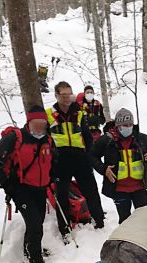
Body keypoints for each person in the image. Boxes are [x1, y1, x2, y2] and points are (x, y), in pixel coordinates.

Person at [0, 106, 56, 263]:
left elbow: (53, 160)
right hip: (21, 189)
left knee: (37, 221)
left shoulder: (47, 140)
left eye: (42, 124)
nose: (39, 128)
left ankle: (31, 249)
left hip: (40, 188)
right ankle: (35, 260)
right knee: (34, 224)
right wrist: (8, 185)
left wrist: (52, 177)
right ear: (28, 122)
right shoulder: (15, 138)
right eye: (36, 124)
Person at [46, 81, 105, 238]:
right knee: (62, 196)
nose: (66, 98)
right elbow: (45, 138)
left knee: (91, 191)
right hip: (60, 161)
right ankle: (65, 230)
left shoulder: (79, 113)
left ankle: (99, 221)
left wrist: (89, 155)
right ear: (57, 95)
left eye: (69, 94)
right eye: (63, 95)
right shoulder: (49, 114)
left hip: (80, 158)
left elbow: (87, 137)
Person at [91, 108, 147, 224]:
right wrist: (104, 170)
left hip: (139, 187)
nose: (128, 127)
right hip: (119, 189)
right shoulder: (108, 140)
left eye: (130, 124)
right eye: (124, 125)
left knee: (144, 220)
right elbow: (92, 156)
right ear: (117, 125)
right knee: (125, 222)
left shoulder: (140, 138)